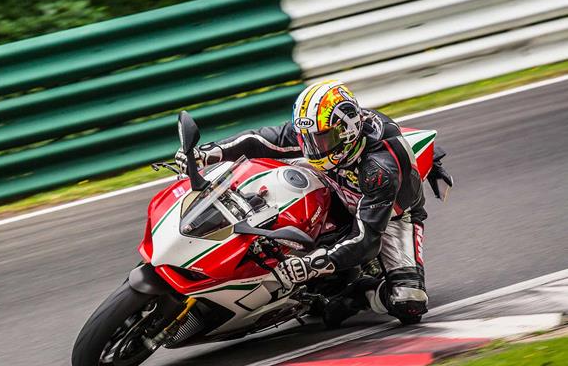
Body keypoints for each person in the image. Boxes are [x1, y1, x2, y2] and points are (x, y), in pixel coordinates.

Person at [175, 79, 453, 325]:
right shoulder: (320, 135)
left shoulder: (380, 167)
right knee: (266, 168)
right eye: (306, 139)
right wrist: (208, 153)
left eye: (320, 140)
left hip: (388, 214)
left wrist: (312, 265)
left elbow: (367, 239)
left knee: (409, 301)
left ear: (347, 132)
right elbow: (263, 139)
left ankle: (355, 295)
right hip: (337, 180)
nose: (311, 147)